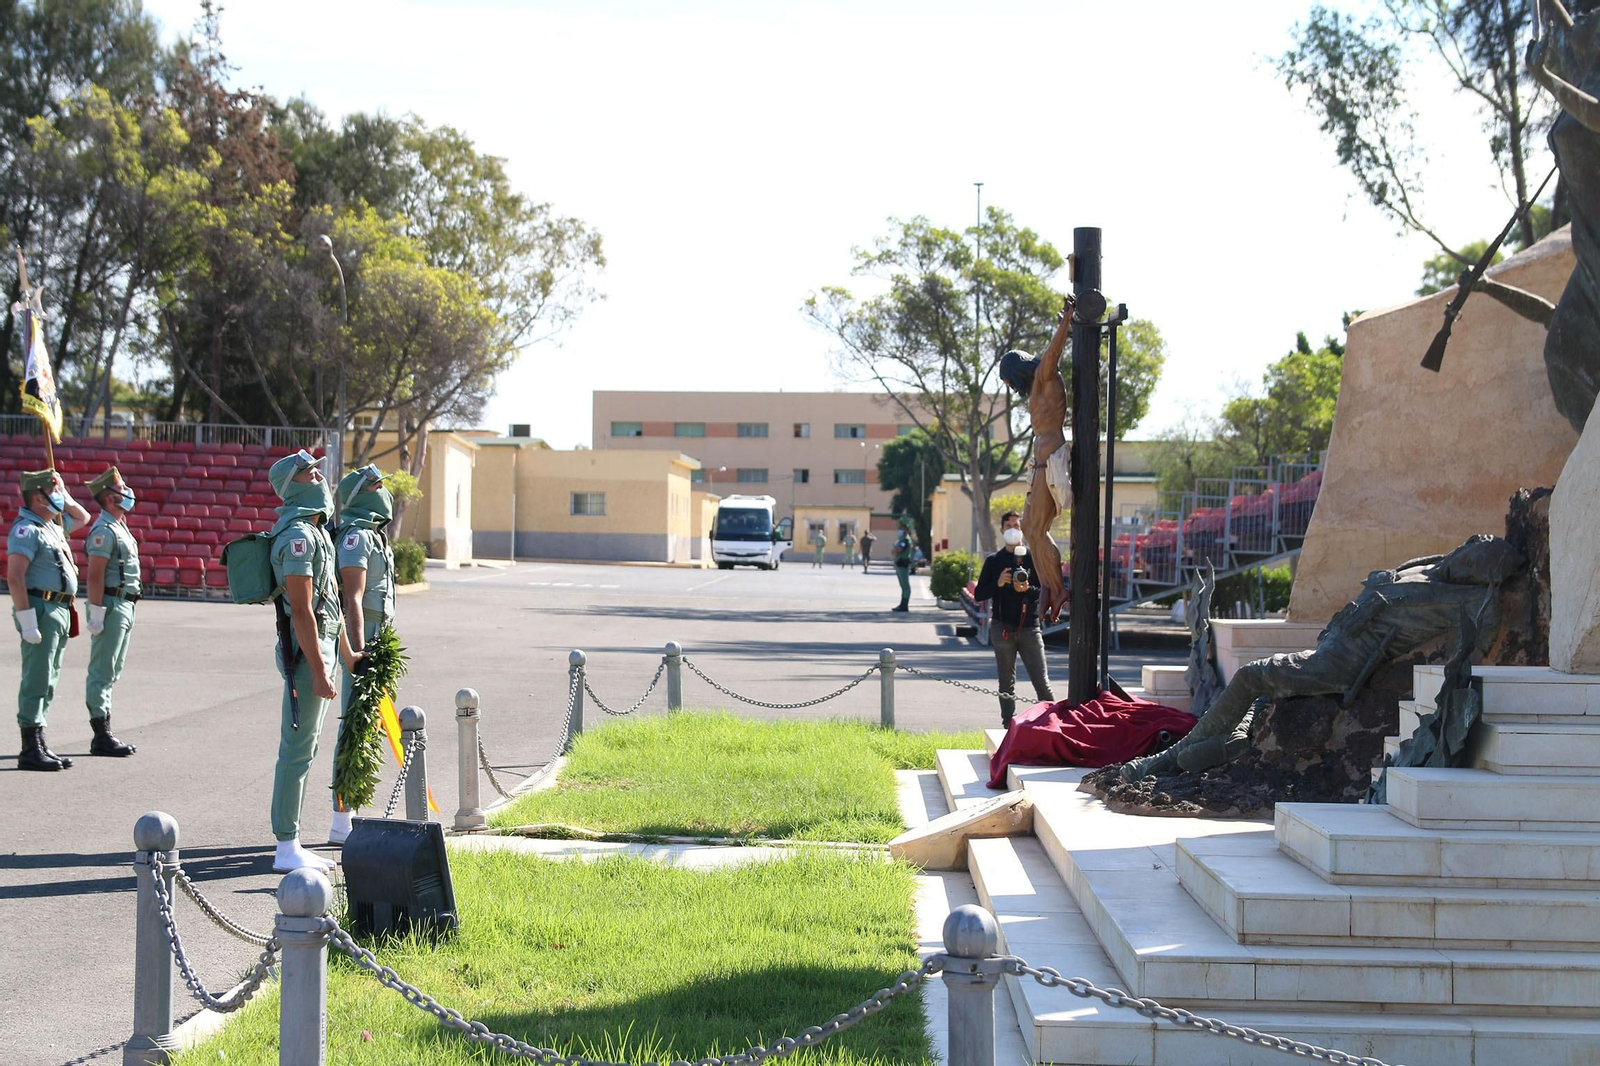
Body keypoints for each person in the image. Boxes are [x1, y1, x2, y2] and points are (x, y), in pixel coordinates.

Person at [1117, 534, 1525, 782]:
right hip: (1333, 642)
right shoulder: (1430, 567)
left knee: (1250, 675)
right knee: (1266, 694)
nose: (1472, 557)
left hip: (1346, 664)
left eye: (1482, 563)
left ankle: (1166, 761)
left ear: (1483, 577)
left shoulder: (1470, 600)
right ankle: (1235, 743)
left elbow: (1482, 642)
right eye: (1477, 547)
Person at [266, 450, 362, 872]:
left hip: (320, 649)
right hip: (305, 656)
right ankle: (286, 845)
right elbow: (302, 610)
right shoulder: (296, 537)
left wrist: (347, 656)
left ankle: (292, 841)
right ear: (294, 485)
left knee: (306, 747)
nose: (320, 475)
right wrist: (322, 671)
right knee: (297, 751)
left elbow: (330, 607)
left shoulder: (314, 531)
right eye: (310, 472)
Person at [328, 464, 397, 845]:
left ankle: (349, 808)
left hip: (377, 634)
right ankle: (341, 819)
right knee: (354, 723)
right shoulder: (355, 536)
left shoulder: (373, 536)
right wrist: (358, 650)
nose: (384, 491)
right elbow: (350, 598)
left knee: (367, 724)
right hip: (364, 637)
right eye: (377, 485)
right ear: (360, 496)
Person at [998, 294, 1076, 622]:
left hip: (1052, 460)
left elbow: (1052, 353)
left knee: (1039, 528)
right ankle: (1047, 585)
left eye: (1009, 380)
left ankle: (1058, 589)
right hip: (1039, 464)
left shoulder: (1045, 376)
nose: (1011, 387)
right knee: (1029, 528)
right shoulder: (1035, 388)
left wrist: (1068, 318)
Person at [10, 469, 92, 771]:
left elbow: (82, 517)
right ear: (36, 497)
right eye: (53, 493)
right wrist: (26, 618)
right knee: (37, 677)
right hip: (39, 610)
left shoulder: (51, 525)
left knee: (50, 678)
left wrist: (65, 497)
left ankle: (40, 740)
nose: (59, 498)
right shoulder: (26, 530)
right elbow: (15, 576)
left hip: (58, 609)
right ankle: (29, 747)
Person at [972, 511, 1055, 727]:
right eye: (1008, 525)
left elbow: (1045, 591)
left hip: (1030, 628)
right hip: (1002, 629)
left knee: (1041, 681)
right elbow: (979, 594)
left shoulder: (1034, 558)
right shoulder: (994, 561)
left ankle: (1053, 724)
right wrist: (998, 583)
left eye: (1017, 526)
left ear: (1023, 529)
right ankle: (1008, 725)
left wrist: (1027, 588)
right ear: (1001, 530)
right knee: (1006, 683)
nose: (1013, 529)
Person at [82, 466, 139, 757]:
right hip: (111, 603)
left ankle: (104, 728)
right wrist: (95, 612)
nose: (128, 492)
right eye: (122, 489)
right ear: (109, 498)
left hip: (125, 603)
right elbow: (95, 576)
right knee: (102, 670)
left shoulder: (119, 525)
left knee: (112, 669)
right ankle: (101, 734)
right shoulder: (104, 530)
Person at [891, 521, 914, 612]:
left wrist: (895, 550)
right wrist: (895, 550)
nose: (900, 530)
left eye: (902, 528)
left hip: (903, 564)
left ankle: (904, 605)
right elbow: (894, 551)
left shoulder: (905, 540)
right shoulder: (901, 540)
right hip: (899, 565)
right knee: (902, 585)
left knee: (905, 585)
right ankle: (902, 604)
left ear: (906, 529)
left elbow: (898, 550)